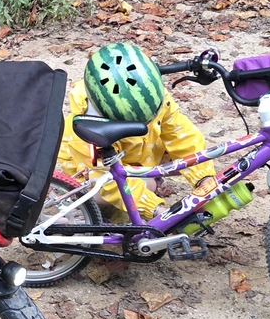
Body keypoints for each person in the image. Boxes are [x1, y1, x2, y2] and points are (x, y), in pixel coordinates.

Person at [57, 42, 216, 220]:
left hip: (139, 157)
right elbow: (106, 178)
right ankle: (102, 211)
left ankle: (141, 185)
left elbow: (182, 136)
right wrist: (156, 209)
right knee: (143, 186)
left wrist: (203, 179)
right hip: (93, 172)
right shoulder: (88, 131)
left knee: (177, 158)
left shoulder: (155, 98)